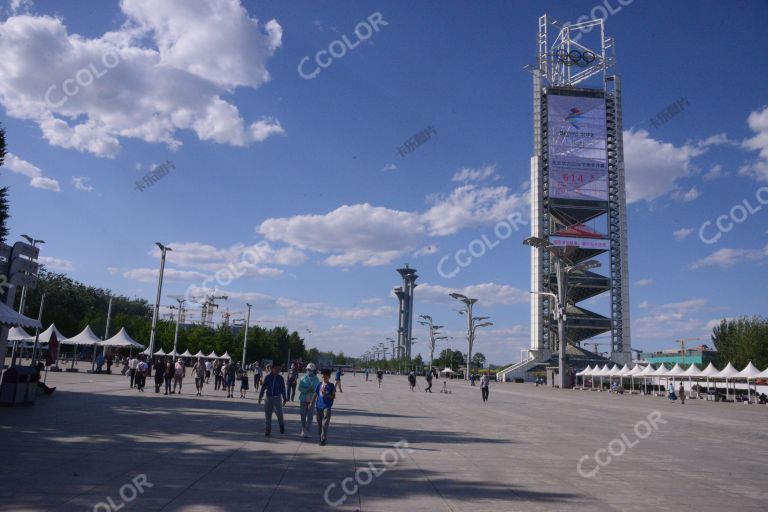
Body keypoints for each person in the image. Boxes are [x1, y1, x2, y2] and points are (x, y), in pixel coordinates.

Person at [259, 365, 287, 436]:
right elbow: (263, 387)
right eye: (275, 368)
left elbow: (283, 388)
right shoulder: (268, 377)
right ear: (272, 369)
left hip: (277, 398)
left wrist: (284, 398)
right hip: (268, 398)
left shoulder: (280, 378)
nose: (277, 370)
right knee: (268, 415)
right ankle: (268, 429)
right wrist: (260, 396)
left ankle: (281, 425)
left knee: (279, 413)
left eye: (278, 369)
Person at [313, 368, 336, 446]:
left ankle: (323, 439)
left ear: (328, 377)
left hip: (327, 406)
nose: (324, 378)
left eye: (325, 377)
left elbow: (333, 396)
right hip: (318, 406)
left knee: (324, 424)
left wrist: (327, 394)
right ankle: (320, 437)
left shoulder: (331, 385)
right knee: (319, 423)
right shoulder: (319, 384)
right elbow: (315, 394)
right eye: (323, 377)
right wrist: (311, 403)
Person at [298, 363, 320, 438]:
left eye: (310, 370)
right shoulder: (303, 377)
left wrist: (312, 390)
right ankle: (303, 429)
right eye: (307, 369)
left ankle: (308, 430)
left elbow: (317, 390)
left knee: (310, 416)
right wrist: (307, 389)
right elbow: (299, 388)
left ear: (313, 370)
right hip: (303, 398)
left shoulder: (316, 379)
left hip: (311, 399)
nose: (309, 371)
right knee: (303, 414)